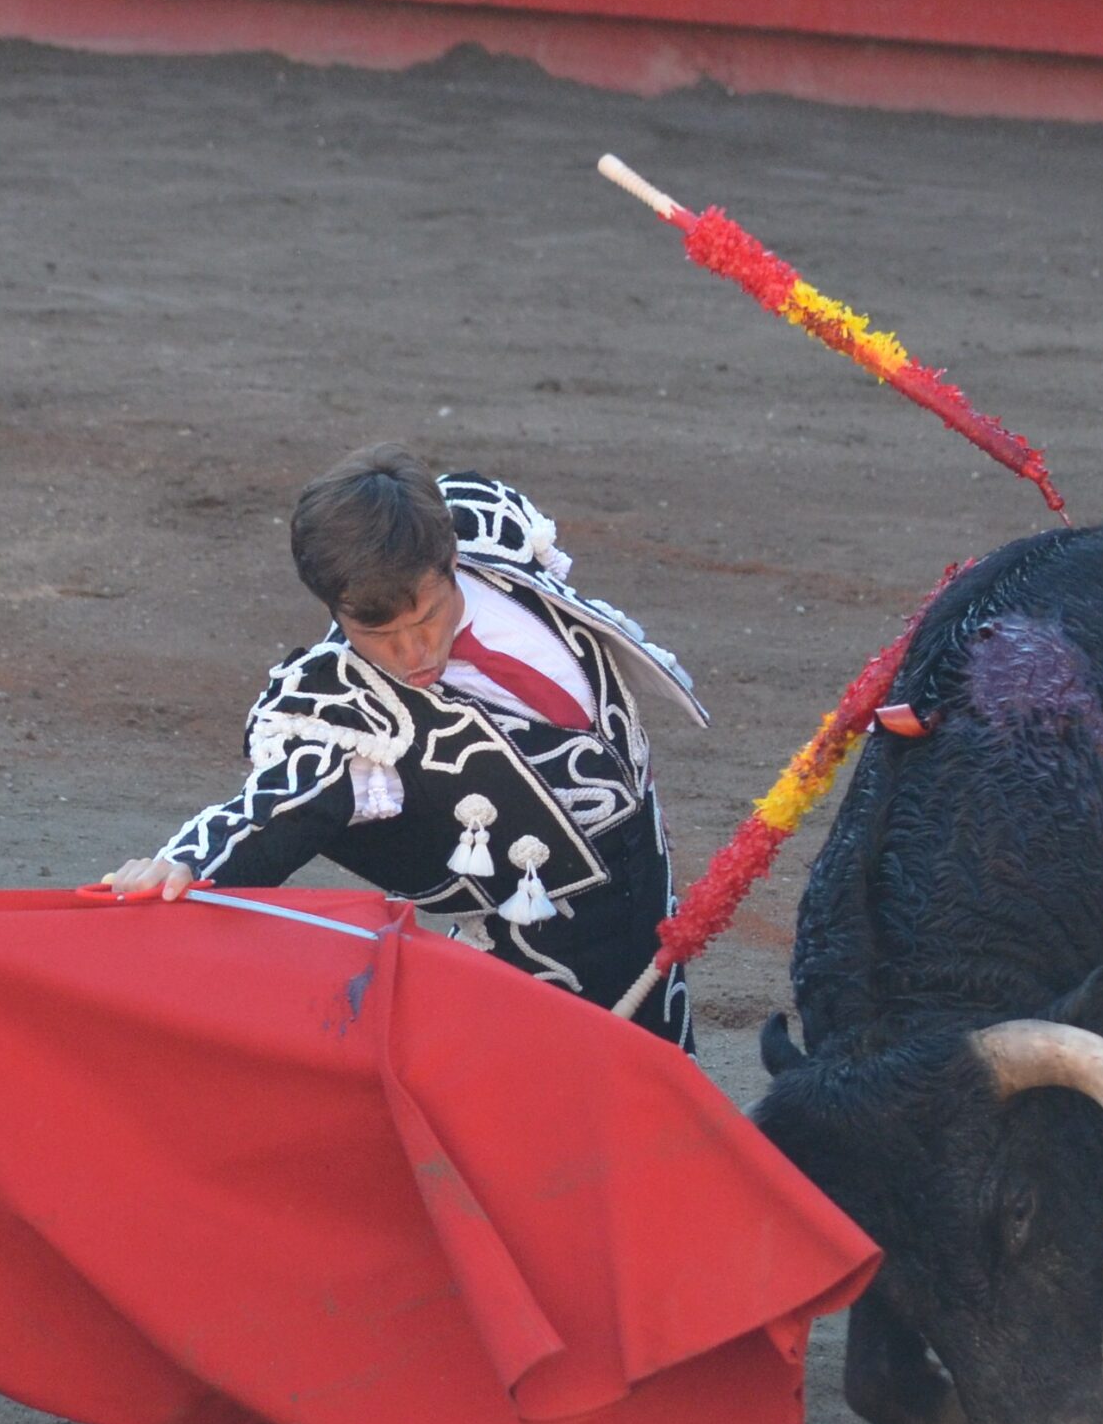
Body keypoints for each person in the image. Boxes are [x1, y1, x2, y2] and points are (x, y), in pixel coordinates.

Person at [107, 445, 705, 1047]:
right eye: (378, 634)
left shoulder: (492, 536)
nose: (414, 654)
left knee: (669, 1089)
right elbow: (276, 810)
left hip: (657, 924)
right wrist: (185, 865)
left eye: (427, 618)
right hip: (530, 994)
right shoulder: (347, 710)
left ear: (451, 559)